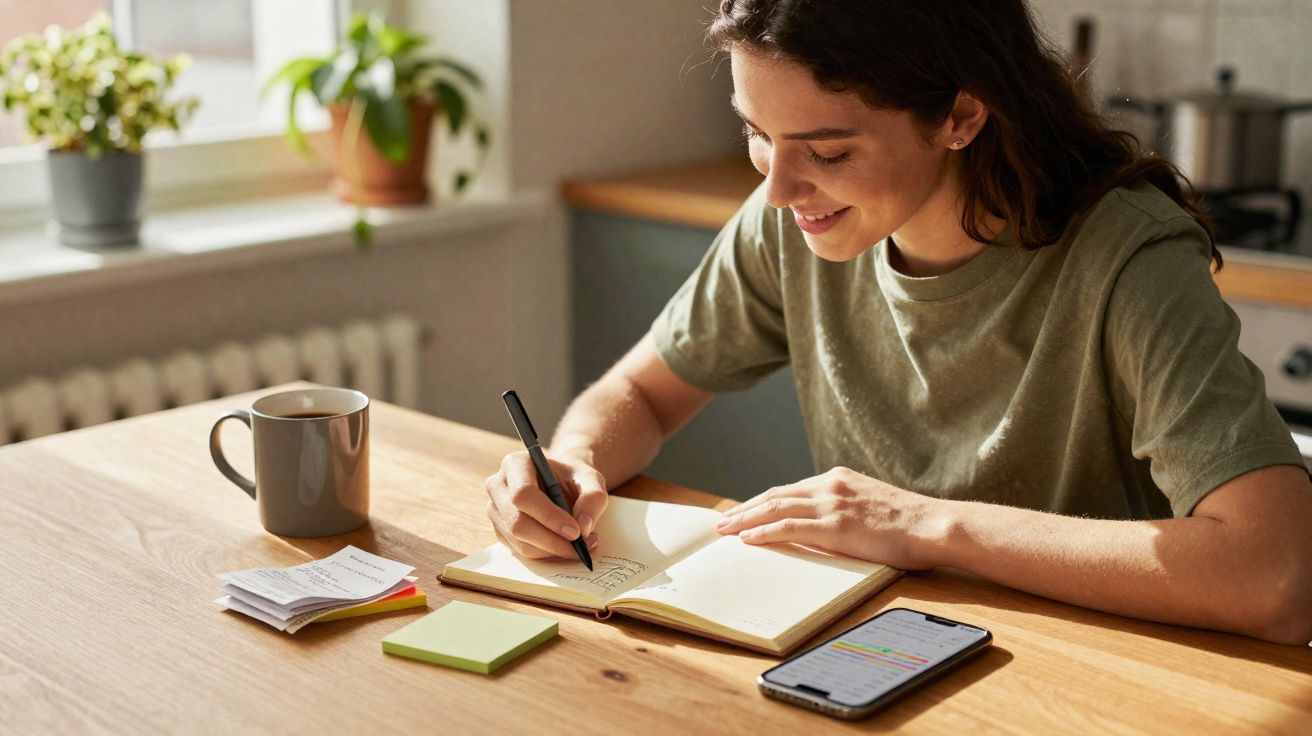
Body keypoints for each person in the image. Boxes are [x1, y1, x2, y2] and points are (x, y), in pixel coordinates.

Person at [483, 0, 1312, 645]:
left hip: (1096, 675)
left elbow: (1276, 576)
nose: (778, 189)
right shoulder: (792, 218)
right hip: (881, 653)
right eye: (756, 134)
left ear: (960, 116)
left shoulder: (1127, 259)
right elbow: (643, 392)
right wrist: (570, 465)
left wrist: (920, 524)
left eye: (829, 151)